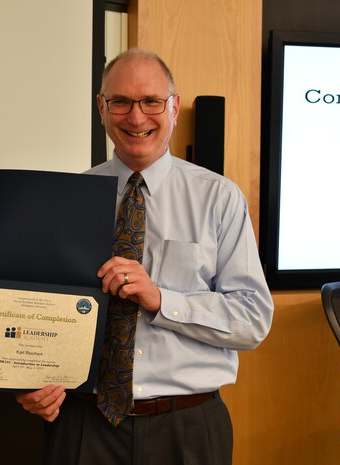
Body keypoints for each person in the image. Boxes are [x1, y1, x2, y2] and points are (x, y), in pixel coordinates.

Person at [15, 48, 274, 465]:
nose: (136, 118)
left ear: (173, 106)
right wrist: (30, 381)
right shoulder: (66, 198)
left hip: (187, 427)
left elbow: (252, 320)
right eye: (120, 102)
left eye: (151, 101)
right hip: (85, 424)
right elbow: (44, 309)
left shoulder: (218, 198)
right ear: (102, 108)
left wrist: (161, 299)